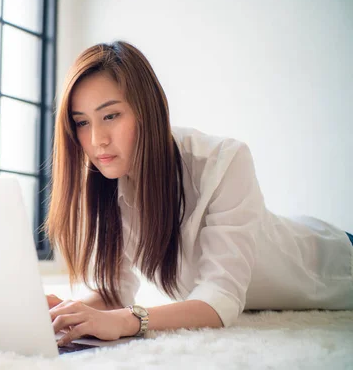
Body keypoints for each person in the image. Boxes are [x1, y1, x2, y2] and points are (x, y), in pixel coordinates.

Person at [44, 41, 353, 347]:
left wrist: (128, 320)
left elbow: (220, 300)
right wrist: (68, 311)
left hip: (334, 263)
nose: (97, 139)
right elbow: (116, 289)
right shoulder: (106, 180)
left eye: (110, 116)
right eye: (82, 122)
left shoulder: (223, 161)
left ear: (146, 110)